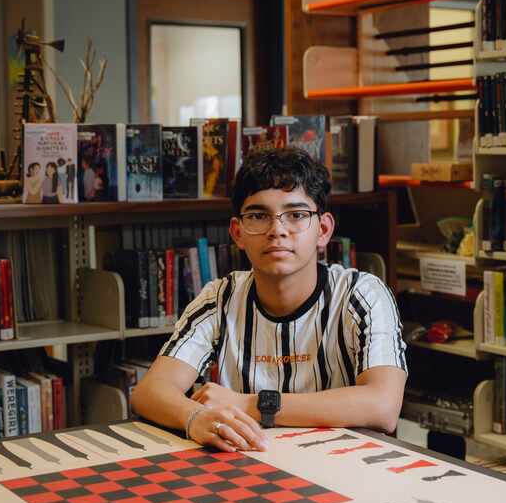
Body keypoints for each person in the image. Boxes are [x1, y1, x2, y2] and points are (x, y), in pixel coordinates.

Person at [131, 147, 407, 453]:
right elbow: (150, 391)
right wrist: (194, 417)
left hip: (347, 468)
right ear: (237, 232)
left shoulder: (362, 295)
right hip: (249, 466)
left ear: (323, 229)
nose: (277, 230)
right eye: (259, 216)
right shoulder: (220, 298)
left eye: (297, 215)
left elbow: (383, 406)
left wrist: (251, 404)